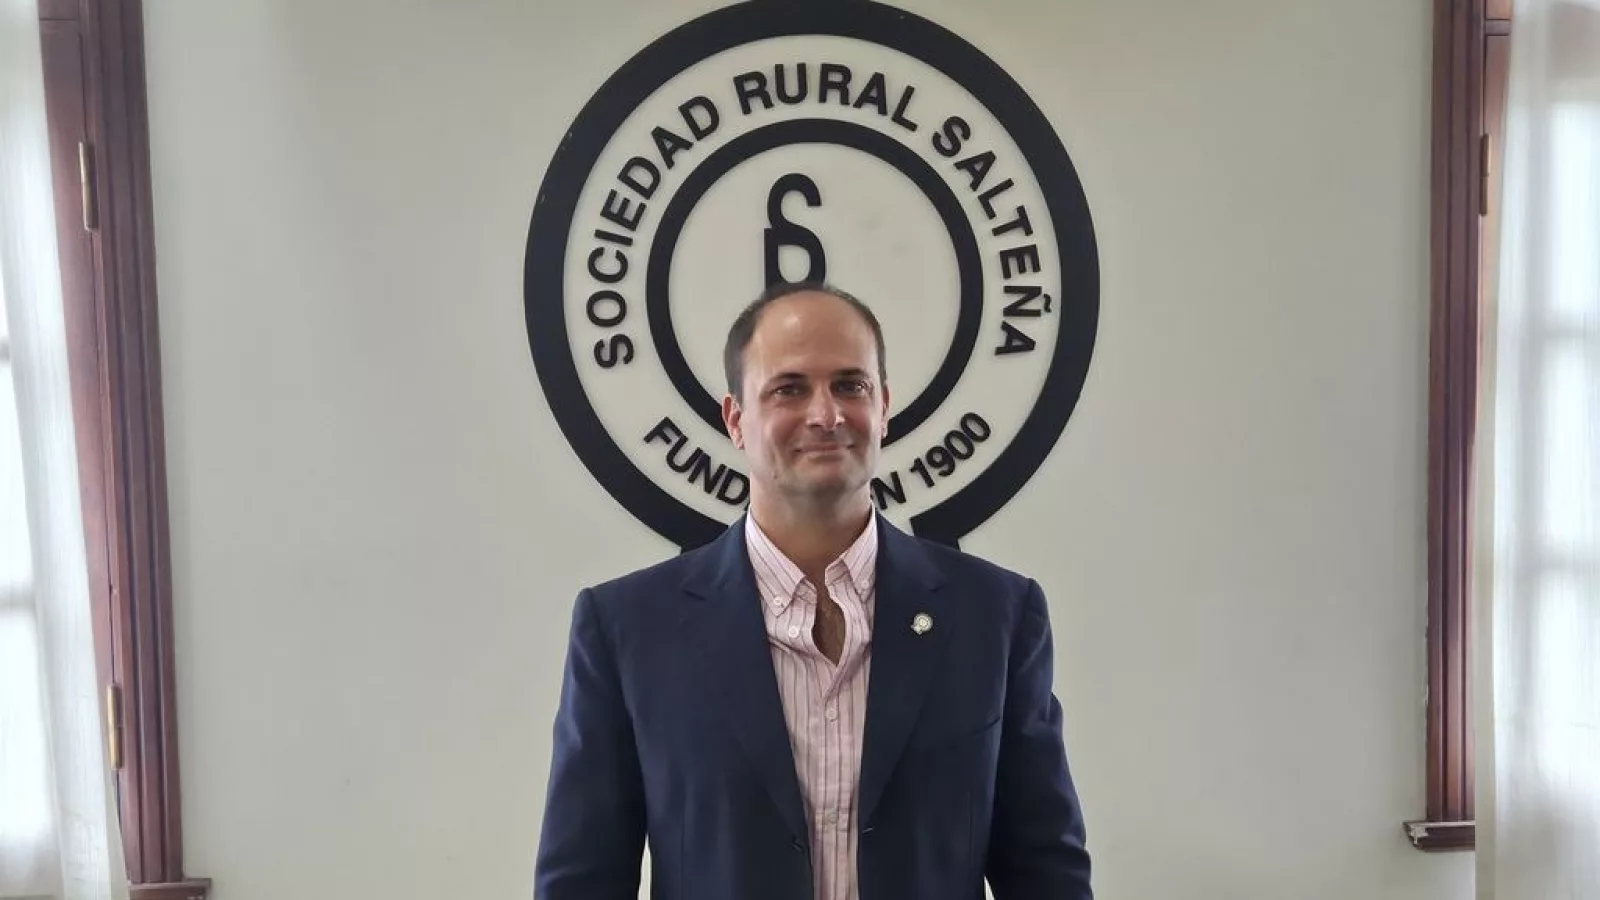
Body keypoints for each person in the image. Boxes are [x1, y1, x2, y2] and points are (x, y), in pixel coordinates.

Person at [533, 282, 1093, 900]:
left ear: (884, 406)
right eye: (789, 388)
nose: (826, 415)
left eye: (850, 386)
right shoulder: (628, 630)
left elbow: (1047, 873)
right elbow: (581, 883)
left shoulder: (996, 617)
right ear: (736, 419)